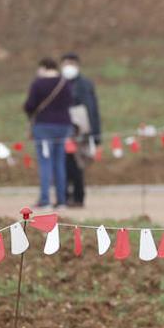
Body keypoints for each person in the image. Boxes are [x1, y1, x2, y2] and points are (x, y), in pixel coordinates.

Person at [23, 58, 73, 210]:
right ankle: (62, 200)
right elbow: (70, 101)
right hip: (63, 126)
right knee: (60, 163)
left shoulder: (38, 83)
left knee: (45, 163)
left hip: (44, 126)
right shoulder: (65, 83)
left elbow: (29, 105)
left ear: (44, 67)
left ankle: (45, 200)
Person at [60, 53, 101, 208]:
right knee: (63, 164)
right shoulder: (59, 83)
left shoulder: (84, 84)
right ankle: (64, 195)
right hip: (62, 130)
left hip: (81, 131)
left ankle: (78, 196)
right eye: (65, 63)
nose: (68, 67)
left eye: (71, 63)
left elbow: (92, 109)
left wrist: (95, 135)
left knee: (78, 164)